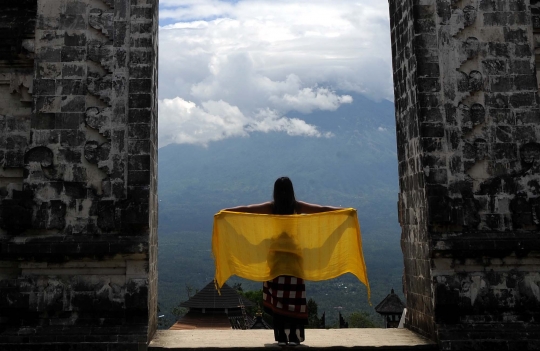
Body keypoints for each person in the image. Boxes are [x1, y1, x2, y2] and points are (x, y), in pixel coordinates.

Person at [224, 176, 342, 346]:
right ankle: (294, 336)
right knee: (294, 300)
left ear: (275, 192)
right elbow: (321, 209)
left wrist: (226, 211)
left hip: (276, 261)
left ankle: (281, 337)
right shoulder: (297, 206)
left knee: (278, 299)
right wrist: (343, 210)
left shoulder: (272, 207)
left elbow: (247, 209)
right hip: (294, 261)